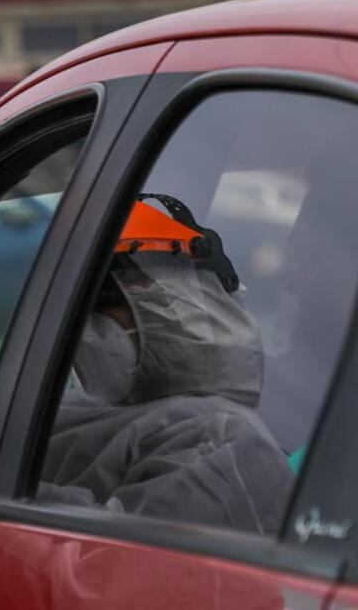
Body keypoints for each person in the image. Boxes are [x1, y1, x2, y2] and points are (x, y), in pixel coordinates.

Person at [38, 196, 293, 534]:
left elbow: (116, 560)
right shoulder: (89, 416)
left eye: (101, 306)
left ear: (162, 296)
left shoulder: (217, 438)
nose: (86, 334)